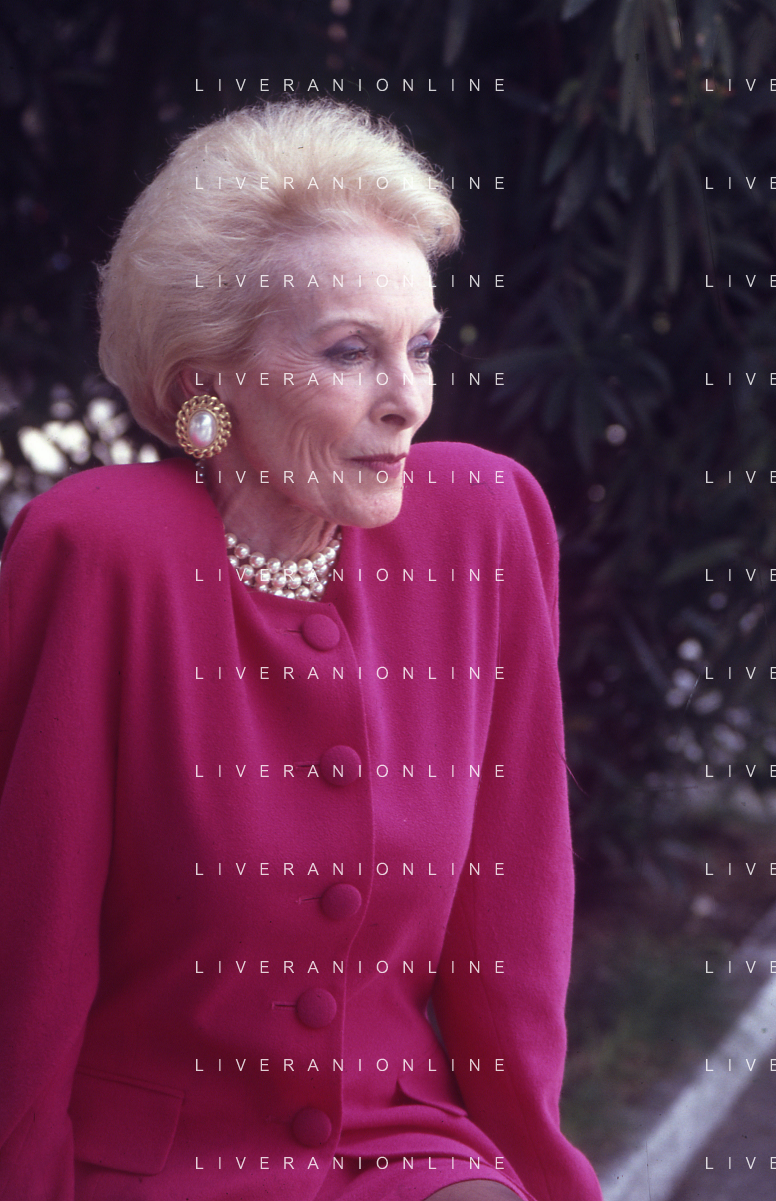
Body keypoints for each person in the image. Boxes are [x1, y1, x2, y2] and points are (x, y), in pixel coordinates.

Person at [0, 100, 602, 1201]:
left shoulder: (480, 524)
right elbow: (28, 955)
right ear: (208, 383)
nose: (407, 401)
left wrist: (530, 1171)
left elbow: (511, 926)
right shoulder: (103, 552)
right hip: (159, 1165)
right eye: (349, 352)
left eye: (420, 347)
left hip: (400, 1148)